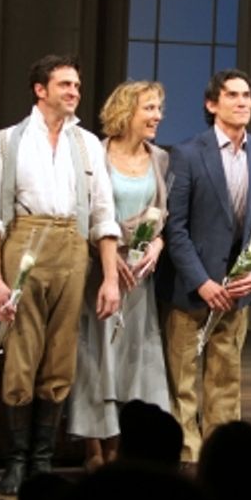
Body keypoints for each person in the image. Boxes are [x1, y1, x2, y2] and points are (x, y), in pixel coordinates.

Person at [0, 54, 122, 495]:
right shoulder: (7, 142)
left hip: (72, 248)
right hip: (25, 240)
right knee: (21, 353)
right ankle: (17, 460)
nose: (74, 92)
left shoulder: (87, 144)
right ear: (40, 90)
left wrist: (111, 277)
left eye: (76, 85)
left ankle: (42, 459)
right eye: (65, 85)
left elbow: (103, 216)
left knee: (60, 356)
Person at [156, 68, 251, 464]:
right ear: (213, 104)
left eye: (247, 95)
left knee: (225, 376)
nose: (243, 102)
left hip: (237, 290)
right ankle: (188, 454)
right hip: (191, 288)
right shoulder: (189, 153)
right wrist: (203, 281)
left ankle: (222, 453)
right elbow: (174, 227)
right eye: (233, 95)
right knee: (184, 378)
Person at [68, 81, 172, 470]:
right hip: (101, 271)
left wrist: (156, 246)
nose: (157, 116)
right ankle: (94, 449)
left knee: (133, 360)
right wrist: (111, 261)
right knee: (97, 357)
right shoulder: (97, 152)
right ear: (127, 111)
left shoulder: (159, 158)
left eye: (159, 108)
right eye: (150, 108)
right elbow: (87, 213)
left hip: (139, 276)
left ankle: (125, 447)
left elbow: (163, 215)